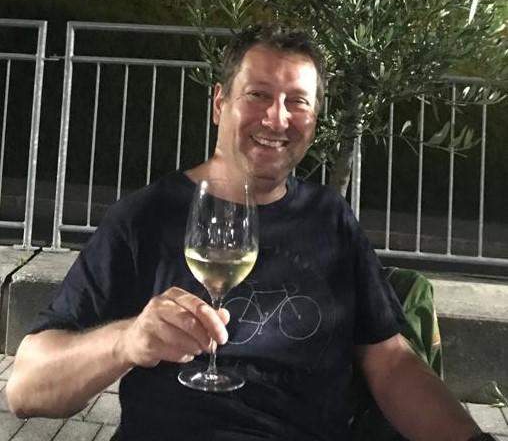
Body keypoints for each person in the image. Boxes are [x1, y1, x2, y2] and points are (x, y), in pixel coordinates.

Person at [6, 25, 493, 441]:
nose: (277, 118)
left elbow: (390, 364)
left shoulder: (329, 218)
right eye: (258, 94)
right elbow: (25, 389)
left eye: (297, 102)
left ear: (314, 119)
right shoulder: (145, 218)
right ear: (220, 103)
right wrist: (126, 341)